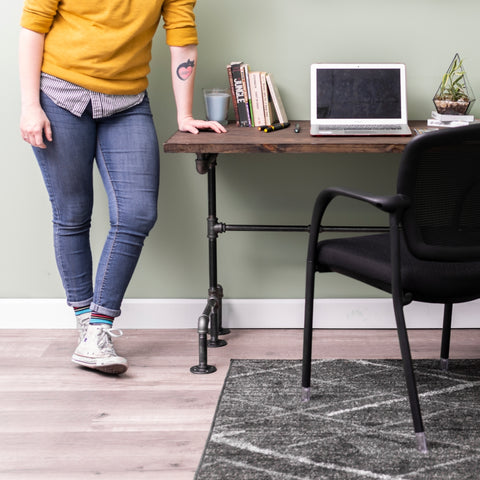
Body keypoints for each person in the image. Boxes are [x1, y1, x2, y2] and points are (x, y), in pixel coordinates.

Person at [19, 0, 226, 375]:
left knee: (137, 212)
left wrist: (184, 115)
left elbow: (181, 37)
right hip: (60, 96)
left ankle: (98, 328)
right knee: (72, 213)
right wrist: (30, 106)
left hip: (127, 102)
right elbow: (33, 25)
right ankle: (87, 321)